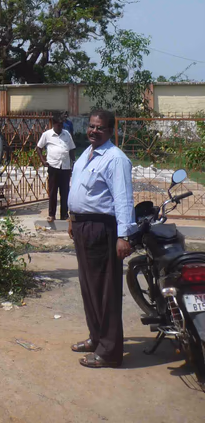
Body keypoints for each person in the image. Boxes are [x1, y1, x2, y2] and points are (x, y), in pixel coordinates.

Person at [68, 109, 137, 369]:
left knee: (105, 290)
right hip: (83, 227)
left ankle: (109, 352)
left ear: (110, 131)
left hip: (102, 229)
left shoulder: (115, 159)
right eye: (91, 126)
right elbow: (77, 188)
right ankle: (96, 338)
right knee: (89, 287)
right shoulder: (86, 154)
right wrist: (72, 219)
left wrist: (123, 236)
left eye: (100, 128)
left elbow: (123, 198)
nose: (94, 131)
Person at [37, 113, 76, 223]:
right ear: (53, 124)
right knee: (53, 192)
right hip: (53, 166)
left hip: (65, 167)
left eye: (61, 124)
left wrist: (73, 162)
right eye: (58, 125)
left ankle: (64, 215)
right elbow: (39, 148)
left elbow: (72, 149)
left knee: (65, 192)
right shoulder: (47, 134)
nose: (60, 127)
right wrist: (43, 160)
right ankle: (51, 215)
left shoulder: (67, 134)